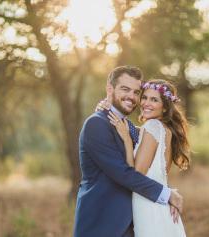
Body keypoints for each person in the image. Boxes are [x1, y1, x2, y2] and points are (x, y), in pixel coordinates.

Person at [73, 66, 184, 237]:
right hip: (103, 224)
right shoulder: (97, 124)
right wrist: (166, 194)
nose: (131, 97)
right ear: (110, 89)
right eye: (125, 89)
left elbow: (148, 165)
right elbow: (124, 173)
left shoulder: (131, 128)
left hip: (134, 222)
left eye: (136, 92)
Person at [106, 79, 189, 237]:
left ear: (164, 108)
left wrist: (125, 139)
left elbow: (135, 174)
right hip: (158, 204)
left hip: (150, 208)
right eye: (144, 97)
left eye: (154, 99)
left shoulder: (153, 127)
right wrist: (107, 104)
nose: (146, 103)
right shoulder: (164, 130)